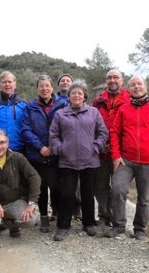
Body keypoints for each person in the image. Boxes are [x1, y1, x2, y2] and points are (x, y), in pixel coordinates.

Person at [105, 76, 149, 240]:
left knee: (144, 198)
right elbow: (114, 133)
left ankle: (140, 229)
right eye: (132, 85)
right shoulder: (123, 109)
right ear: (129, 89)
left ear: (145, 87)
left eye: (139, 84)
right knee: (118, 189)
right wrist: (116, 156)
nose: (136, 87)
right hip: (126, 160)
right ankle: (119, 225)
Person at [49, 80, 108, 241]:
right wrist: (60, 149)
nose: (76, 95)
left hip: (90, 161)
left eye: (79, 93)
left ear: (85, 96)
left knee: (87, 194)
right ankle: (63, 226)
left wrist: (95, 147)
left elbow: (103, 133)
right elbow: (53, 135)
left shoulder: (94, 112)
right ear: (69, 96)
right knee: (66, 194)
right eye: (73, 93)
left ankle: (88, 223)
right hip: (67, 161)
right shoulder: (61, 114)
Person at [21, 75, 68, 232]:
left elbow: (68, 128)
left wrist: (56, 146)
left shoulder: (63, 104)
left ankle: (57, 212)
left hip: (57, 154)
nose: (44, 88)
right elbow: (26, 130)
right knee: (40, 187)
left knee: (57, 186)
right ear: (37, 89)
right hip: (36, 154)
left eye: (47, 85)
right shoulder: (30, 107)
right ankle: (44, 216)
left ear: (52, 88)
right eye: (41, 86)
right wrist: (40, 147)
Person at [92, 69, 130, 226]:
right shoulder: (99, 101)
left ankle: (117, 218)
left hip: (120, 153)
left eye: (116, 77)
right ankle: (104, 215)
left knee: (118, 188)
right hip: (101, 152)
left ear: (122, 80)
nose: (112, 80)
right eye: (109, 78)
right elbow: (93, 123)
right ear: (106, 81)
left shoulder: (129, 99)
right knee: (99, 186)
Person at [56, 74, 82, 220]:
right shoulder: (56, 103)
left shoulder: (84, 105)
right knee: (63, 183)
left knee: (78, 184)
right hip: (62, 150)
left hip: (81, 152)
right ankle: (60, 211)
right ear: (58, 84)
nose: (65, 82)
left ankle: (77, 209)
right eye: (62, 80)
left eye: (68, 80)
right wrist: (59, 147)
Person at [0, 71, 26, 153]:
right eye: (4, 82)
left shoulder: (23, 105)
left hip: (21, 150)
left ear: (15, 84)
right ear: (0, 85)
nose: (7, 84)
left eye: (9, 82)